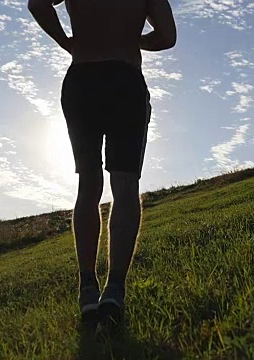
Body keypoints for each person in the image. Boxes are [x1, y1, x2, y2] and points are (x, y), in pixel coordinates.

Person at [28, 0, 177, 324]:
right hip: (124, 77)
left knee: (89, 184)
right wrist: (133, 38)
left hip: (82, 78)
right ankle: (114, 290)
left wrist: (66, 41)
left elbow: (37, 3)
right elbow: (167, 36)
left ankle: (87, 288)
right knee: (124, 186)